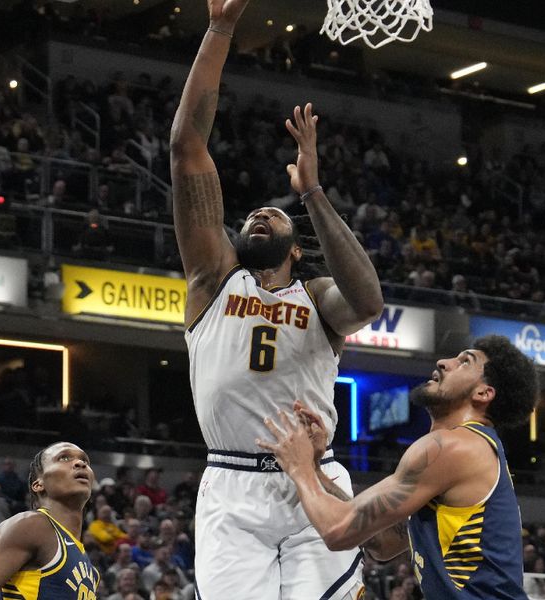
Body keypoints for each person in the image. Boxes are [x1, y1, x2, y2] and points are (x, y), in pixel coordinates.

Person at [171, 2, 383, 600]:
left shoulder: (317, 298)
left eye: (273, 213)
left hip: (311, 475)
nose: (260, 214)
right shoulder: (214, 280)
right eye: (250, 215)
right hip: (231, 483)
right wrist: (219, 28)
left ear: (296, 248)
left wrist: (311, 191)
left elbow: (368, 302)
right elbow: (187, 146)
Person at [258, 335, 539, 599]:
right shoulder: (470, 449)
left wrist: (299, 468)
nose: (444, 362)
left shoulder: (454, 447)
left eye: (465, 361)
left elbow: (337, 530)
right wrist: (315, 469)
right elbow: (384, 543)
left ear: (483, 392)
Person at [0, 442, 100, 600]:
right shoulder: (33, 525)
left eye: (85, 460)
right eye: (64, 458)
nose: (80, 463)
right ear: (38, 484)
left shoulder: (91, 571)